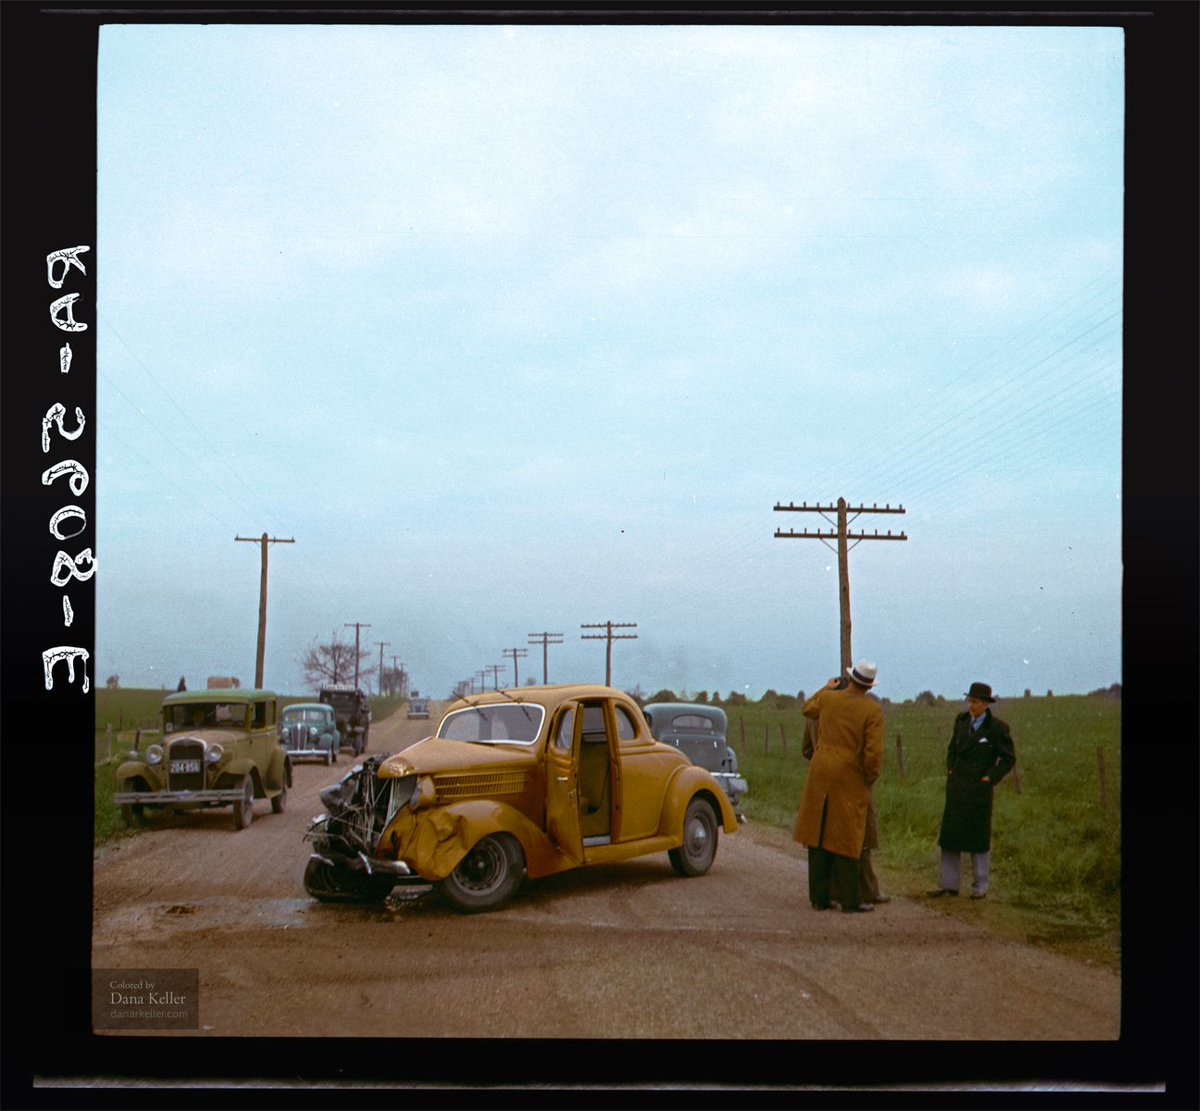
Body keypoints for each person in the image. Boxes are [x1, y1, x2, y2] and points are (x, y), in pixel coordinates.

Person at [794, 660, 884, 913]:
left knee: (818, 834)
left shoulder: (829, 700)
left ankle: (819, 899)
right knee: (848, 836)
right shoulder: (872, 710)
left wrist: (826, 687)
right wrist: (869, 777)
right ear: (868, 685)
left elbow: (807, 708)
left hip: (820, 773)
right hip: (850, 776)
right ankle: (850, 900)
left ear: (851, 678)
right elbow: (873, 753)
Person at [929, 681, 1017, 900]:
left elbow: (1008, 758)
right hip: (958, 788)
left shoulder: (997, 728)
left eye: (975, 702)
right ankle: (948, 885)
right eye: (969, 700)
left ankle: (980, 887)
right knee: (950, 837)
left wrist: (990, 778)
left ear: (986, 704)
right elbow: (952, 749)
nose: (971, 705)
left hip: (979, 791)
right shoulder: (960, 722)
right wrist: (951, 769)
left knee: (978, 840)